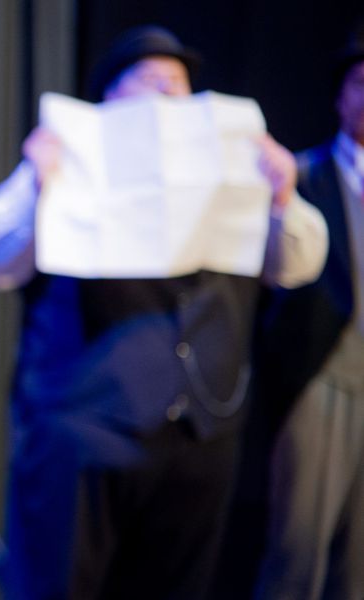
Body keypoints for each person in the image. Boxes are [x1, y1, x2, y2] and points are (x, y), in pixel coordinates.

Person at [0, 26, 328, 599]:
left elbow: (298, 265)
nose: (166, 94)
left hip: (199, 436)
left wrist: (281, 195)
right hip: (86, 431)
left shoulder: (231, 171)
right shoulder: (68, 164)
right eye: (149, 81)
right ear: (110, 100)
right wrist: (37, 178)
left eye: (176, 85)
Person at [254, 27, 364, 600]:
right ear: (340, 96)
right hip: (320, 377)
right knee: (299, 550)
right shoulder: (301, 177)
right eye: (361, 85)